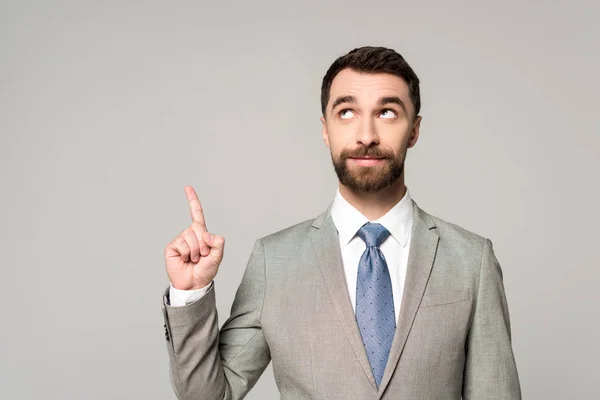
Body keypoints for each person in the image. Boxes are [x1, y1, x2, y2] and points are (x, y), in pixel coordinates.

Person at [160, 46, 522, 400]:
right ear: (325, 130)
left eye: (388, 113)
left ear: (414, 130)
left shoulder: (471, 261)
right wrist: (190, 293)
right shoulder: (274, 261)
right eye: (347, 112)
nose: (366, 135)